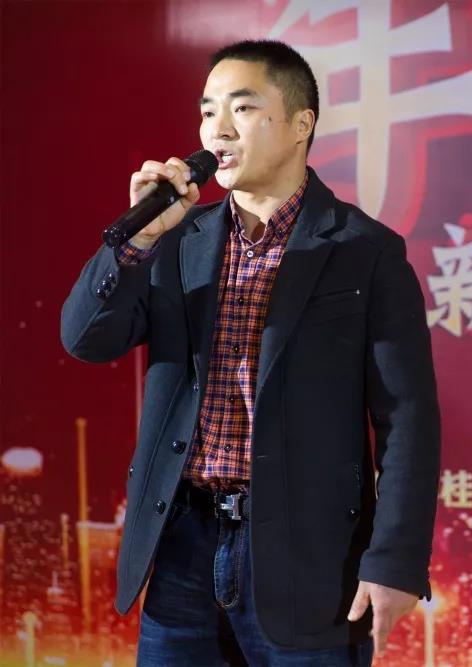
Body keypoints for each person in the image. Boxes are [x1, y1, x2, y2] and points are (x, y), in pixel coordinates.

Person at [61, 39, 441, 666]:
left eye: (242, 108)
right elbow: (85, 339)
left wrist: (395, 560)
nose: (218, 129)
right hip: (181, 544)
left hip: (308, 555)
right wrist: (136, 243)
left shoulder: (365, 251)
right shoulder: (177, 239)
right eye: (208, 111)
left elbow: (408, 419)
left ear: (300, 124)